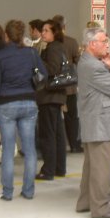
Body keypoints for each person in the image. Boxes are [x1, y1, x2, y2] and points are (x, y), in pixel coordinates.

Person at [0, 19, 44, 201]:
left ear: (6, 35)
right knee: (30, 150)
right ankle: (28, 191)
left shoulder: (0, 57)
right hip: (28, 103)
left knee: (8, 150)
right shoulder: (31, 53)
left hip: (5, 106)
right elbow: (44, 75)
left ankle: (8, 191)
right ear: (23, 35)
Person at [75, 26, 110, 218]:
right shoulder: (95, 67)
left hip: (94, 121)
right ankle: (101, 208)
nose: (107, 45)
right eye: (104, 41)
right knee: (102, 168)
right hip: (101, 123)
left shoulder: (86, 62)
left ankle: (85, 202)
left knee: (91, 167)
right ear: (92, 44)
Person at [36, 19, 69, 180]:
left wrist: (38, 62)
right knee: (57, 134)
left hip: (49, 95)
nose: (42, 33)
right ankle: (59, 167)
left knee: (48, 134)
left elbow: (53, 69)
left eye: (46, 30)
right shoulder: (58, 47)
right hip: (56, 95)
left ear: (54, 33)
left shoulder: (52, 48)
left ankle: (48, 169)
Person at [53, 14, 82, 154]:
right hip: (70, 87)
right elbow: (78, 61)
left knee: (55, 118)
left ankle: (57, 146)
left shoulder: (51, 43)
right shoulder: (72, 42)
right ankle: (75, 145)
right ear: (64, 26)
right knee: (72, 117)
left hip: (54, 87)